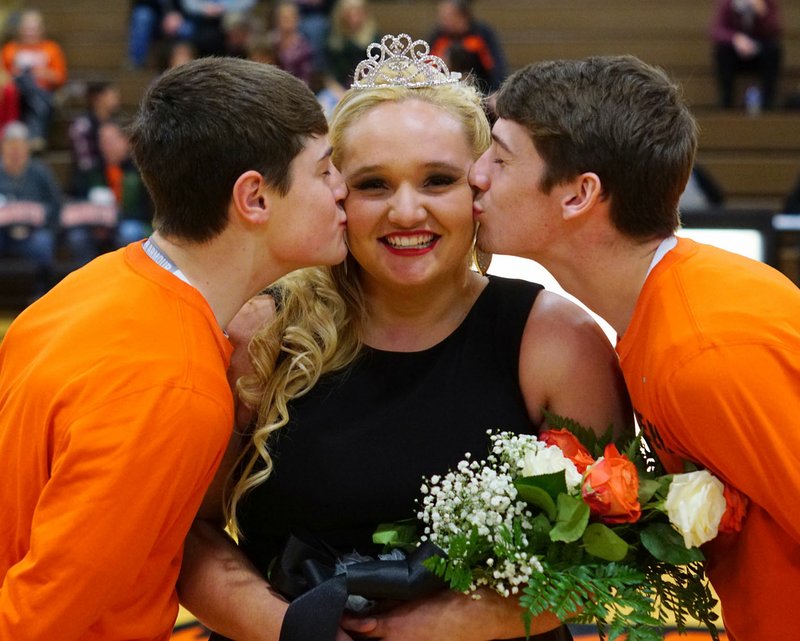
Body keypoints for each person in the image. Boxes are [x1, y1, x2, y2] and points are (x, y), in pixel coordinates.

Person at [177, 33, 632, 641]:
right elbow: (188, 533)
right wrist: (297, 628)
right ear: (337, 196)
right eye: (374, 185)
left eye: (437, 180)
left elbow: (610, 553)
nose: (407, 212)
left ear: (479, 189)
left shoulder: (557, 341)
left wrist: (429, 628)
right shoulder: (265, 333)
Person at [0, 56, 348, 640]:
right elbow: (41, 620)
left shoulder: (94, 282)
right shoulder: (175, 384)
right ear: (255, 199)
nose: (343, 189)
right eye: (324, 170)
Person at [468, 54, 800, 641]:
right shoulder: (664, 310)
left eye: (500, 157)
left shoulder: (706, 352)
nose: (476, 175)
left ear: (577, 195)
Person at [63, 119, 154, 266]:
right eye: (102, 141)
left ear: (125, 141)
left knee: (128, 232)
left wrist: (117, 218)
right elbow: (76, 200)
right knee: (77, 237)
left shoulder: (139, 171)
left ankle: (127, 278)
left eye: (110, 141)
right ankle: (87, 281)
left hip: (130, 222)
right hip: (95, 225)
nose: (105, 146)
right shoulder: (91, 171)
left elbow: (147, 210)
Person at [0, 120, 60, 298]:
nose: (16, 151)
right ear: (3, 148)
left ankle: (42, 293)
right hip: (3, 234)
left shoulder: (40, 172)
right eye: (11, 146)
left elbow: (56, 204)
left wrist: (42, 217)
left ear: (27, 148)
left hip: (33, 234)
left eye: (20, 146)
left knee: (44, 243)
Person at [0, 8, 68, 149]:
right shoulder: (9, 50)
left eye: (34, 28)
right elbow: (3, 75)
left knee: (36, 94)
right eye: (27, 28)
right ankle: (35, 138)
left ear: (41, 30)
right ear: (20, 30)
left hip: (43, 91)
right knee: (23, 78)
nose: (30, 32)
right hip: (18, 94)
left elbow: (60, 77)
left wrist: (43, 73)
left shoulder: (51, 49)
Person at [711, 0, 783, 110]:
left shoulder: (767, 3)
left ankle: (768, 103)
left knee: (773, 50)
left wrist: (762, 13)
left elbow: (775, 29)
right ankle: (726, 101)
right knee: (722, 52)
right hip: (735, 53)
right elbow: (717, 30)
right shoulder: (727, 3)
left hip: (761, 52)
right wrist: (735, 39)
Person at [428, 0, 508, 92]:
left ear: (462, 16)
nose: (442, 21)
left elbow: (496, 67)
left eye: (446, 17)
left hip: (481, 92)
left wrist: (496, 91)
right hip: (445, 92)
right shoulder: (438, 36)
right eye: (441, 17)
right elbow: (428, 67)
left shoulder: (482, 34)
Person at [67, 80, 122, 194]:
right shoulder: (82, 124)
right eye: (111, 95)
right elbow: (85, 162)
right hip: (89, 180)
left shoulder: (113, 124)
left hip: (112, 176)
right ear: (98, 98)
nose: (116, 98)